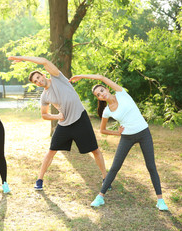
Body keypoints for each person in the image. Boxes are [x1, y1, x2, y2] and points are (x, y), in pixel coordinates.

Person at [8, 56, 109, 190]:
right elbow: (44, 115)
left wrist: (21, 58)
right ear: (35, 84)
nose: (38, 81)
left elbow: (44, 61)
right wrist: (57, 116)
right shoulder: (44, 96)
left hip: (80, 118)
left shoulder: (57, 77)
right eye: (35, 81)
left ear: (43, 74)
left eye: (38, 77)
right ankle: (39, 180)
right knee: (51, 151)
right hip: (64, 123)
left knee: (95, 150)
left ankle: (106, 179)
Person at [70, 74, 168, 210]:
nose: (101, 95)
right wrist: (117, 133)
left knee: (151, 166)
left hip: (144, 133)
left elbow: (100, 77)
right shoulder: (106, 111)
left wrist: (81, 76)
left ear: (107, 89)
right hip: (127, 137)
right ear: (98, 98)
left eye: (102, 91)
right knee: (115, 167)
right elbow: (102, 130)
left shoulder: (122, 94)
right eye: (98, 95)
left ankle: (160, 201)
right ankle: (100, 197)